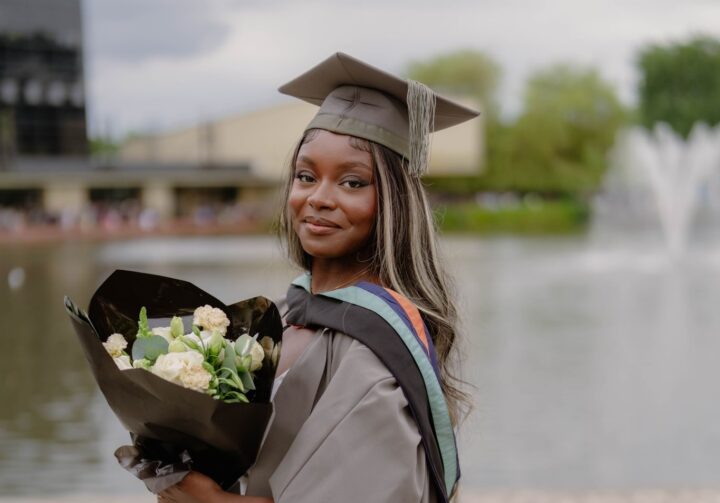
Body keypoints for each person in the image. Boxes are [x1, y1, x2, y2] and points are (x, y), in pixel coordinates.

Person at [158, 52, 479, 503]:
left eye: (353, 182)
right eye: (306, 176)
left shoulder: (374, 351)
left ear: (394, 203)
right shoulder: (284, 312)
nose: (319, 198)